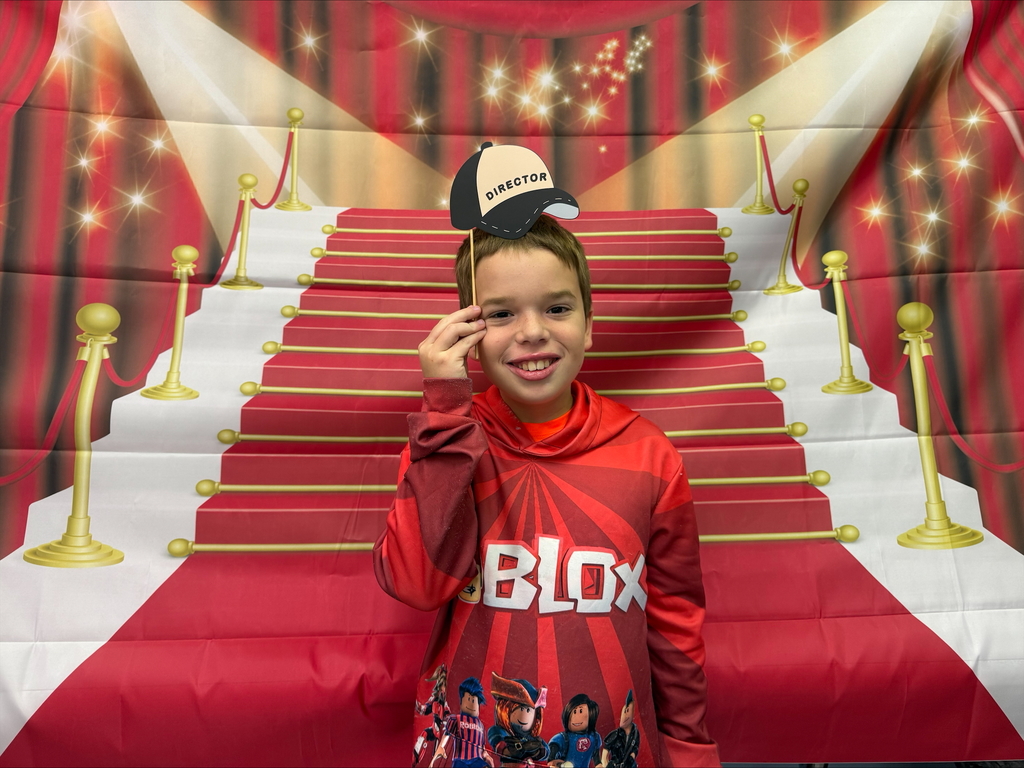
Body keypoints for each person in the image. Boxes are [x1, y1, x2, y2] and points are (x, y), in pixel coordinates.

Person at [374, 143, 719, 767]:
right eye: (502, 313)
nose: (532, 331)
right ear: (469, 332)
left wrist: (690, 748)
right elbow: (417, 585)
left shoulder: (650, 455)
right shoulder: (444, 440)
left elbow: (675, 624)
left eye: (557, 308)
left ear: (589, 323)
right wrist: (445, 410)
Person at [548, 693, 601, 767]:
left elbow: (596, 757)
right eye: (574, 712)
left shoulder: (594, 737)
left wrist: (599, 764)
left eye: (580, 711)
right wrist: (553, 761)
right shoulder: (564, 738)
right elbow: (553, 750)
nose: (576, 718)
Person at [598, 690, 640, 768]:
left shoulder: (635, 734)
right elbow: (605, 752)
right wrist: (605, 764)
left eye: (627, 711)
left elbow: (635, 748)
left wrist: (632, 757)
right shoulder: (615, 734)